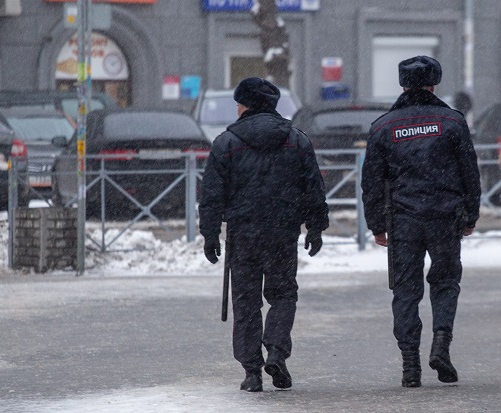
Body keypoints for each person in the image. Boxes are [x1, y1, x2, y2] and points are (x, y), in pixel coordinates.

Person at [199, 77, 329, 392]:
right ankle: (276, 351)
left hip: (243, 235)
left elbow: (212, 195)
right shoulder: (296, 140)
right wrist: (315, 226)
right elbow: (313, 187)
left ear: (243, 105)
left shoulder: (226, 143)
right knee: (283, 295)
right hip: (283, 233)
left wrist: (211, 233)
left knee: (245, 302)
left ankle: (252, 372)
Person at [361, 56, 481, 388]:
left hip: (403, 221)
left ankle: (410, 365)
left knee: (405, 291)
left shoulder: (384, 126)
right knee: (444, 283)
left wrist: (376, 225)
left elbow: (371, 181)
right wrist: (470, 215)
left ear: (402, 85)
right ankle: (441, 343)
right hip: (444, 217)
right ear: (434, 84)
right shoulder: (452, 121)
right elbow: (470, 173)